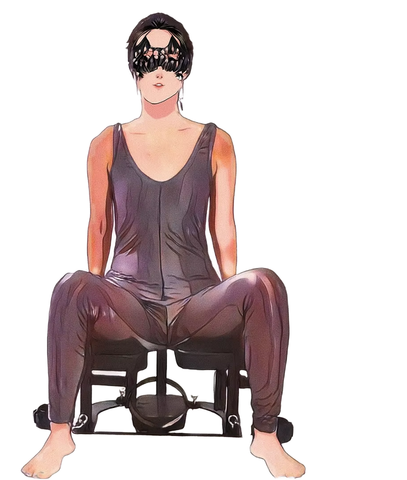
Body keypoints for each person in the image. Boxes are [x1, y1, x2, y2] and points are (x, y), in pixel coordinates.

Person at [22, 12, 305, 479]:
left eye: (169, 60)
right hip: (129, 301)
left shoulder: (217, 142)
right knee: (71, 285)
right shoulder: (105, 143)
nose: (158, 71)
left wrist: (236, 300)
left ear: (184, 69)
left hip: (196, 302)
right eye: (148, 60)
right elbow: (98, 226)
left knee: (265, 284)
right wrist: (94, 297)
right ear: (133, 68)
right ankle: (58, 434)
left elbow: (224, 230)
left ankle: (266, 435)